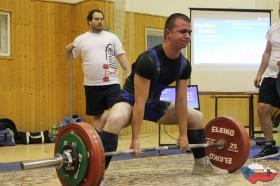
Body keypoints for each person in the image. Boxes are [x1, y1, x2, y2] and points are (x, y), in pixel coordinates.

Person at [99, 13, 228, 175]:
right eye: (182, 31)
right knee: (115, 119)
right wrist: (136, 139)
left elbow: (181, 101)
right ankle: (97, 174)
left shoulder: (184, 65)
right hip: (129, 102)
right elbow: (139, 102)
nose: (187, 36)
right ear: (167, 34)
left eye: (189, 32)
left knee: (196, 117)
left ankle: (201, 165)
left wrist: (182, 135)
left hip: (152, 104)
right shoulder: (149, 61)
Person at [65, 9, 131, 132]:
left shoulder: (112, 37)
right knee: (96, 116)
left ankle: (107, 140)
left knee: (116, 112)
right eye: (96, 19)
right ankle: (96, 143)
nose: (100, 21)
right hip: (92, 85)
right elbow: (70, 57)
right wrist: (67, 50)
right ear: (89, 21)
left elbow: (121, 55)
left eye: (101, 19)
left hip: (112, 83)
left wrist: (128, 71)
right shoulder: (81, 39)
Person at [253, 2, 280, 159]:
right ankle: (270, 145)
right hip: (271, 75)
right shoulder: (273, 29)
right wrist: (259, 73)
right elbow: (267, 52)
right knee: (263, 107)